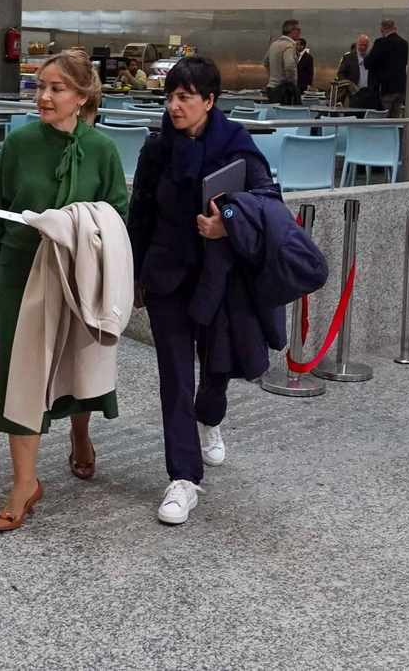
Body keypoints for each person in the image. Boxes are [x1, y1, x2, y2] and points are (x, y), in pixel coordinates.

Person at [127, 56, 282, 525]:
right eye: (170, 97)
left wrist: (226, 225)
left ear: (210, 101)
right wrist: (134, 273)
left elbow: (268, 204)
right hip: (166, 275)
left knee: (215, 370)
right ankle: (183, 478)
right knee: (175, 374)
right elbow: (141, 212)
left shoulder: (237, 146)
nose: (174, 107)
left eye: (185, 98)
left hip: (220, 278)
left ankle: (210, 415)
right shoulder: (158, 147)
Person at [0, 51, 128, 532]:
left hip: (79, 272)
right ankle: (25, 483)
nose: (43, 96)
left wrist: (82, 231)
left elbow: (117, 216)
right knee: (20, 374)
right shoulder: (19, 144)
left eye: (57, 88)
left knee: (75, 361)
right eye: (39, 86)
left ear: (82, 96)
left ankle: (80, 435)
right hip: (20, 269)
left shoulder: (102, 149)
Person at [363, 18, 409, 114]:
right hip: (400, 87)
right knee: (395, 119)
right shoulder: (404, 43)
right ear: (395, 28)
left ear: (381, 29)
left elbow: (369, 62)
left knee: (384, 118)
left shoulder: (381, 42)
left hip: (386, 88)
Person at [263, 20, 302, 105]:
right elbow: (289, 65)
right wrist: (291, 84)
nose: (300, 32)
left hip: (271, 88)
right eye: (299, 30)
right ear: (292, 30)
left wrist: (273, 75)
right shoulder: (289, 46)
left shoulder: (274, 44)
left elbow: (265, 62)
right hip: (283, 91)